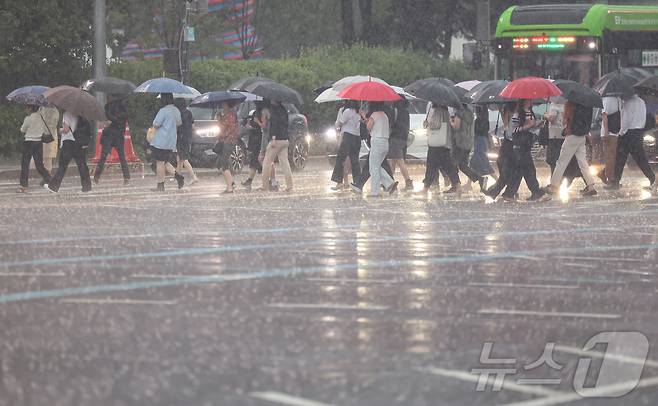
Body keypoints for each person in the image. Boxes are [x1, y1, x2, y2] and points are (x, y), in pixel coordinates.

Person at [544, 101, 597, 197]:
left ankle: (553, 186)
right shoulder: (588, 106)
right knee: (583, 163)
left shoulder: (570, 104)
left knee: (561, 162)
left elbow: (564, 122)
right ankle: (590, 186)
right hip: (581, 136)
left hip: (572, 136)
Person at [606, 94, 656, 191]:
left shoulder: (627, 103)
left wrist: (621, 133)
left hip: (628, 133)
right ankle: (652, 178)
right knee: (641, 158)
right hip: (638, 132)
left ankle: (615, 182)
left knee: (620, 158)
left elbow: (625, 120)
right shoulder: (641, 101)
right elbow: (643, 118)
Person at [502, 99, 546, 201]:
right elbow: (514, 130)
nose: (531, 101)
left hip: (524, 144)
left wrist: (537, 125)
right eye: (528, 99)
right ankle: (536, 193)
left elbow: (530, 127)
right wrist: (529, 126)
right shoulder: (520, 113)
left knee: (522, 170)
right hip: (520, 144)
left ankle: (510, 193)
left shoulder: (527, 112)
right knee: (527, 169)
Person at [47, 111, 93, 193]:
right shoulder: (81, 114)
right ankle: (87, 187)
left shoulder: (67, 114)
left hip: (68, 142)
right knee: (82, 165)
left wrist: (59, 130)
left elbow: (66, 130)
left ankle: (54, 186)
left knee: (62, 166)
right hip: (79, 142)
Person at [420, 102, 461, 194]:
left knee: (431, 166)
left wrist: (427, 123)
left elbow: (435, 126)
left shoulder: (438, 112)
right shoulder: (447, 111)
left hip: (436, 144)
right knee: (449, 166)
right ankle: (458, 185)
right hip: (445, 143)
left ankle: (425, 189)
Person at [93, 94, 130, 185]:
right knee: (122, 157)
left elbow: (108, 120)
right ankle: (126, 177)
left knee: (103, 156)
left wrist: (112, 121)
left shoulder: (108, 107)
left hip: (109, 135)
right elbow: (124, 118)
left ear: (111, 96)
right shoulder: (123, 107)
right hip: (119, 135)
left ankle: (96, 176)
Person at [544, 99, 583, 186]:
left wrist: (546, 116)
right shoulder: (566, 105)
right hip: (564, 135)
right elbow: (566, 120)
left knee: (553, 160)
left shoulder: (554, 105)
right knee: (562, 159)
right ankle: (562, 179)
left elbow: (552, 118)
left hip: (554, 136)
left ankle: (554, 183)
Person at [149, 93, 182, 192]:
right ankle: (178, 177)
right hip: (171, 141)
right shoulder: (176, 110)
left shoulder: (163, 111)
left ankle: (160, 185)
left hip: (161, 140)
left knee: (160, 162)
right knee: (165, 161)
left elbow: (156, 124)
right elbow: (179, 123)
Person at [450, 104, 487, 192]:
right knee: (462, 165)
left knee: (453, 164)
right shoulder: (470, 113)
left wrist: (450, 121)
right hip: (468, 142)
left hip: (459, 142)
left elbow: (456, 126)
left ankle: (456, 185)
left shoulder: (459, 113)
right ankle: (479, 179)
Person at [364, 102, 396, 197]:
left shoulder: (374, 115)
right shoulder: (385, 115)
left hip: (377, 142)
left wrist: (366, 120)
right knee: (376, 166)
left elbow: (369, 127)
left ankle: (375, 192)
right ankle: (390, 183)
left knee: (373, 168)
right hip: (385, 143)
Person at [17, 105, 52, 193]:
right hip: (38, 142)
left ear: (30, 108)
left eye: (27, 107)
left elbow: (22, 130)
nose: (26, 109)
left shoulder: (28, 118)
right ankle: (48, 178)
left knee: (25, 164)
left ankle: (24, 186)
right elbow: (45, 130)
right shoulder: (41, 118)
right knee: (39, 164)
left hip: (28, 142)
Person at [261, 100, 293, 192]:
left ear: (275, 101)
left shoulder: (274, 112)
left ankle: (265, 185)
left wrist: (273, 138)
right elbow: (286, 125)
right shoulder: (284, 110)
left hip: (276, 140)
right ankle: (289, 185)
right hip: (285, 139)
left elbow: (274, 126)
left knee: (266, 162)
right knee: (285, 163)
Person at [331, 100, 361, 189]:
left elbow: (340, 122)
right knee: (355, 161)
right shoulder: (359, 113)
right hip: (357, 137)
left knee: (340, 159)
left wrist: (338, 128)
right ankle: (358, 182)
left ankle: (339, 181)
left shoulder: (347, 111)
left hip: (347, 137)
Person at [388, 99, 413, 191]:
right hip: (403, 138)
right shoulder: (406, 112)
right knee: (393, 162)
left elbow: (391, 124)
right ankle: (389, 182)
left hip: (395, 138)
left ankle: (408, 181)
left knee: (400, 161)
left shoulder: (394, 110)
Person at [174, 98, 199, 186]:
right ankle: (177, 176)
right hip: (188, 137)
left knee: (183, 158)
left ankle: (193, 176)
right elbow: (193, 126)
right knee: (180, 159)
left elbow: (177, 126)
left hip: (180, 138)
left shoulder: (178, 114)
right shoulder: (189, 112)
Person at [216, 101, 239, 193]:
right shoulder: (228, 115)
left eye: (224, 104)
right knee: (220, 163)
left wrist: (219, 121)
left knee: (224, 164)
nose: (222, 106)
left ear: (227, 105)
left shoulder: (230, 116)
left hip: (228, 142)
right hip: (227, 141)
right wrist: (220, 118)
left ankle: (229, 188)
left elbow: (223, 129)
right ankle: (231, 182)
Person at [598, 96, 621, 185]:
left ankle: (606, 174)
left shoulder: (618, 99)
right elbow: (604, 115)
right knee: (610, 157)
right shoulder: (607, 100)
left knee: (613, 157)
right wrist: (606, 132)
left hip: (616, 132)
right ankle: (610, 178)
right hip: (609, 133)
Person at [242, 103, 265, 190]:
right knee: (255, 162)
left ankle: (270, 181)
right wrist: (249, 125)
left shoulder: (264, 113)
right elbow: (249, 124)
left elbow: (264, 128)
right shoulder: (255, 113)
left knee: (262, 162)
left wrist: (258, 122)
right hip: (255, 141)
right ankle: (250, 181)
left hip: (260, 141)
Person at [470, 105, 496, 181]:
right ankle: (469, 183)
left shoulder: (478, 121)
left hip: (479, 142)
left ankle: (497, 180)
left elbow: (476, 132)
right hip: (483, 142)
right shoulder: (486, 120)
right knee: (474, 163)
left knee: (482, 163)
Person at [39, 105, 59, 175]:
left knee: (46, 158)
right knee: (47, 158)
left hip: (45, 134)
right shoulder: (55, 110)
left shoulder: (42, 109)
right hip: (51, 135)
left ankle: (47, 177)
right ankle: (47, 176)